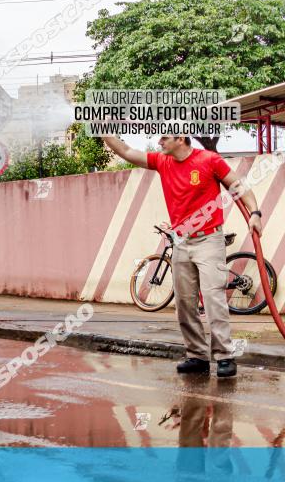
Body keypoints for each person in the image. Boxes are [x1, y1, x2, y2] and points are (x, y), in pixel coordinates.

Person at [102, 135, 263, 378]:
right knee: (185, 303)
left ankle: (224, 357)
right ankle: (197, 355)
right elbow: (125, 151)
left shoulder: (209, 160)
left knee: (213, 299)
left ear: (180, 138)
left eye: (164, 137)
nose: (159, 142)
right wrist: (104, 131)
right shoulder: (162, 161)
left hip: (209, 238)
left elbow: (239, 187)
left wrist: (255, 213)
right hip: (181, 241)